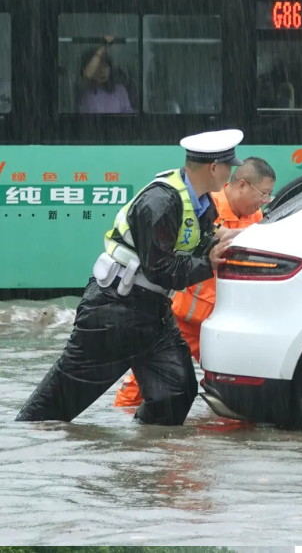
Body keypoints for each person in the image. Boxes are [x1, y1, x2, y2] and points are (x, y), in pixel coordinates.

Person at [15, 129, 246, 426]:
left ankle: (141, 461)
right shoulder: (160, 202)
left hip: (153, 313)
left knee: (176, 392)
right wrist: (208, 264)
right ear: (214, 168)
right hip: (113, 311)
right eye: (230, 166)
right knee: (50, 411)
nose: (231, 172)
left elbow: (206, 238)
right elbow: (160, 269)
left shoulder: (202, 202)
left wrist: (248, 236)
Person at [114, 157, 277, 407]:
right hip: (185, 319)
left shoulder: (256, 218)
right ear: (242, 185)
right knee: (140, 384)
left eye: (268, 195)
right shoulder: (205, 209)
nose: (264, 201)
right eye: (263, 193)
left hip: (223, 323)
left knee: (234, 388)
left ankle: (226, 437)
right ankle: (127, 428)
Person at [76, 35, 135, 114]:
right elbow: (87, 76)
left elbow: (128, 115)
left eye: (105, 65)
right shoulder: (84, 89)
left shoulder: (120, 90)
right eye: (98, 67)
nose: (102, 70)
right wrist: (103, 47)